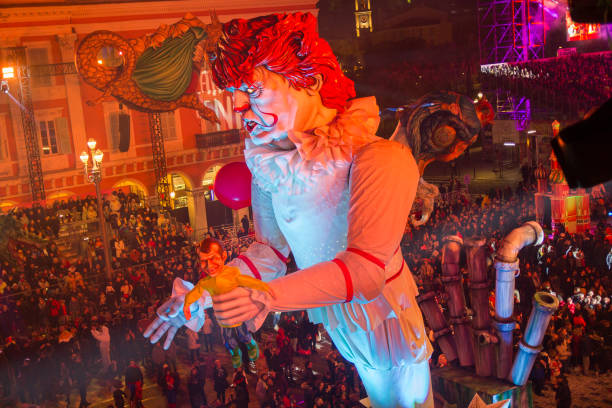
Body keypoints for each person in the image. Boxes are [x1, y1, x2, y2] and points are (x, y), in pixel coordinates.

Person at [145, 12, 452, 407]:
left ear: (311, 81)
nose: (237, 105)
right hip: (338, 316)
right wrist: (200, 294)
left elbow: (365, 271)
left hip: (385, 316)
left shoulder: (380, 158)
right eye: (234, 92)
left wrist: (265, 297)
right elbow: (268, 254)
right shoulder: (269, 168)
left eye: (252, 90)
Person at [183, 237, 272, 367]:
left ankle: (250, 344)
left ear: (223, 256)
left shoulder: (232, 274)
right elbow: (196, 291)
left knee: (243, 335)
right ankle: (235, 352)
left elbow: (247, 280)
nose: (209, 265)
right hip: (224, 322)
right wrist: (186, 304)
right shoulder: (206, 282)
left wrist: (265, 288)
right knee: (228, 341)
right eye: (204, 261)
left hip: (237, 317)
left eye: (213, 258)